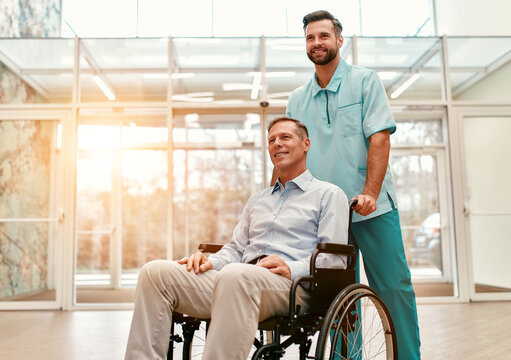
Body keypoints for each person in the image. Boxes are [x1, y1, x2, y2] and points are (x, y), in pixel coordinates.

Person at [124, 117, 349, 360]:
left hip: (292, 287)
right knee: (155, 272)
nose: (277, 144)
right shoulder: (258, 200)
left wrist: (290, 267)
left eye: (285, 137)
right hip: (238, 279)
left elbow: (335, 260)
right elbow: (236, 248)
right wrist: (212, 261)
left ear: (306, 144)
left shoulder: (329, 194)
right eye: (271, 140)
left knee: (236, 275)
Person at [282, 10, 421, 360]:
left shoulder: (364, 81)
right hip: (327, 216)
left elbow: (379, 138)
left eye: (324, 36)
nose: (317, 43)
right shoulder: (298, 99)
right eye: (311, 38)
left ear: (339, 41)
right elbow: (288, 155)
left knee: (393, 289)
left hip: (372, 209)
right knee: (338, 298)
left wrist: (371, 193)